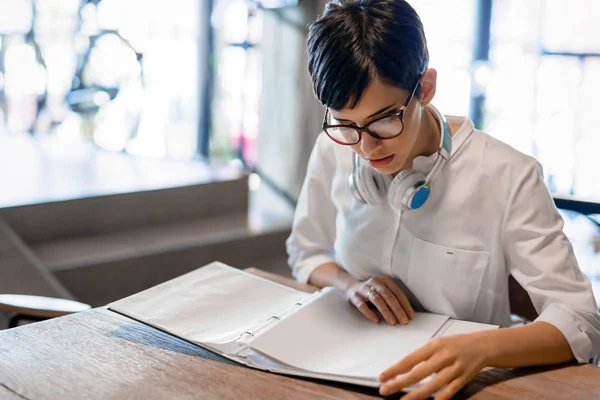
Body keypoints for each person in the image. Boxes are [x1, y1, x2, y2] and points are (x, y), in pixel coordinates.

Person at [285, 0, 600, 398]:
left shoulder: (507, 176)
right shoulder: (334, 149)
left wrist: (482, 349)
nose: (364, 147)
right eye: (346, 124)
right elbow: (305, 252)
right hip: (344, 376)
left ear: (426, 88)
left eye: (384, 120)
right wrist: (349, 285)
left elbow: (582, 319)